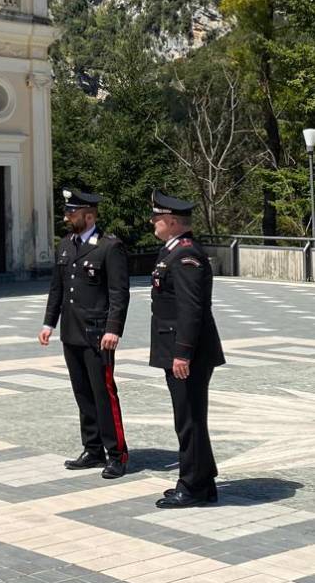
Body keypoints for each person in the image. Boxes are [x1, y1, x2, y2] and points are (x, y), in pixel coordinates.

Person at [40, 188, 131, 479]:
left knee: (104, 394)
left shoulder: (109, 246)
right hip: (71, 332)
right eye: (67, 212)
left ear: (89, 215)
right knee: (82, 393)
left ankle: (116, 453)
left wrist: (113, 329)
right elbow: (57, 288)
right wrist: (48, 323)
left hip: (97, 334)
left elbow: (119, 293)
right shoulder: (66, 245)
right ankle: (92, 449)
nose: (67, 217)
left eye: (72, 213)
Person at [148, 190, 225, 508]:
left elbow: (192, 309)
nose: (153, 222)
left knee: (189, 418)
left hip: (187, 352)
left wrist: (182, 352)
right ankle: (202, 480)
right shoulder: (174, 251)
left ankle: (192, 486)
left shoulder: (185, 254)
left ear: (172, 221)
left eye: (157, 218)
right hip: (178, 348)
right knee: (189, 416)